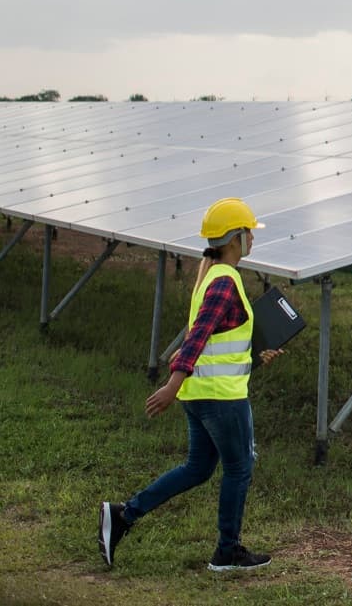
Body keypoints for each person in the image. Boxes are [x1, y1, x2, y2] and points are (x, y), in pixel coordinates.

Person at [100, 197, 283, 571]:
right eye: (249, 232)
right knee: (239, 468)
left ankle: (123, 515)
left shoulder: (212, 275)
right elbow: (197, 337)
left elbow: (217, 342)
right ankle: (227, 551)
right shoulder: (224, 282)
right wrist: (171, 384)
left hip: (201, 394)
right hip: (220, 399)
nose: (253, 238)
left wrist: (253, 357)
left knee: (198, 468)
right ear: (235, 238)